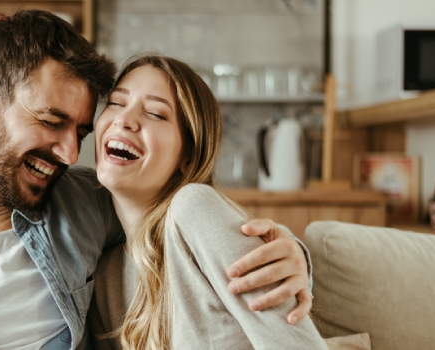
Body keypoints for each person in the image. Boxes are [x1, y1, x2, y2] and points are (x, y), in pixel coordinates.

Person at [0, 10, 313, 349]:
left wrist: (293, 252)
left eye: (81, 130)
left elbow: (177, 223)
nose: (70, 152)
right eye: (50, 122)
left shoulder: (84, 203)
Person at [87, 55, 328, 349]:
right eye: (116, 102)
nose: (124, 120)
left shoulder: (193, 208)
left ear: (188, 157)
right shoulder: (104, 276)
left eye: (156, 113)